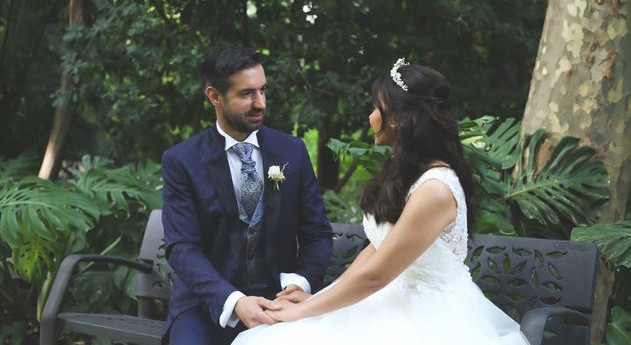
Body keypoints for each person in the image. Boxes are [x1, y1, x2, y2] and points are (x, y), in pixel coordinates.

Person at [233, 58, 530, 345]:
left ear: (398, 118)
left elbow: (377, 275)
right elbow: (377, 249)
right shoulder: (408, 173)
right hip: (387, 297)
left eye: (376, 108)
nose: (370, 116)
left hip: (426, 314)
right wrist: (319, 300)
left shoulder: (436, 189)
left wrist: (302, 311)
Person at [161, 46, 333, 344]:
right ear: (214, 96)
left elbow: (317, 233)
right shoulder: (182, 161)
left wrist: (299, 282)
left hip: (279, 302)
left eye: (263, 91)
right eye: (246, 94)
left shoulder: (291, 151)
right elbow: (181, 247)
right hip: (207, 303)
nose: (260, 103)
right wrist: (234, 301)